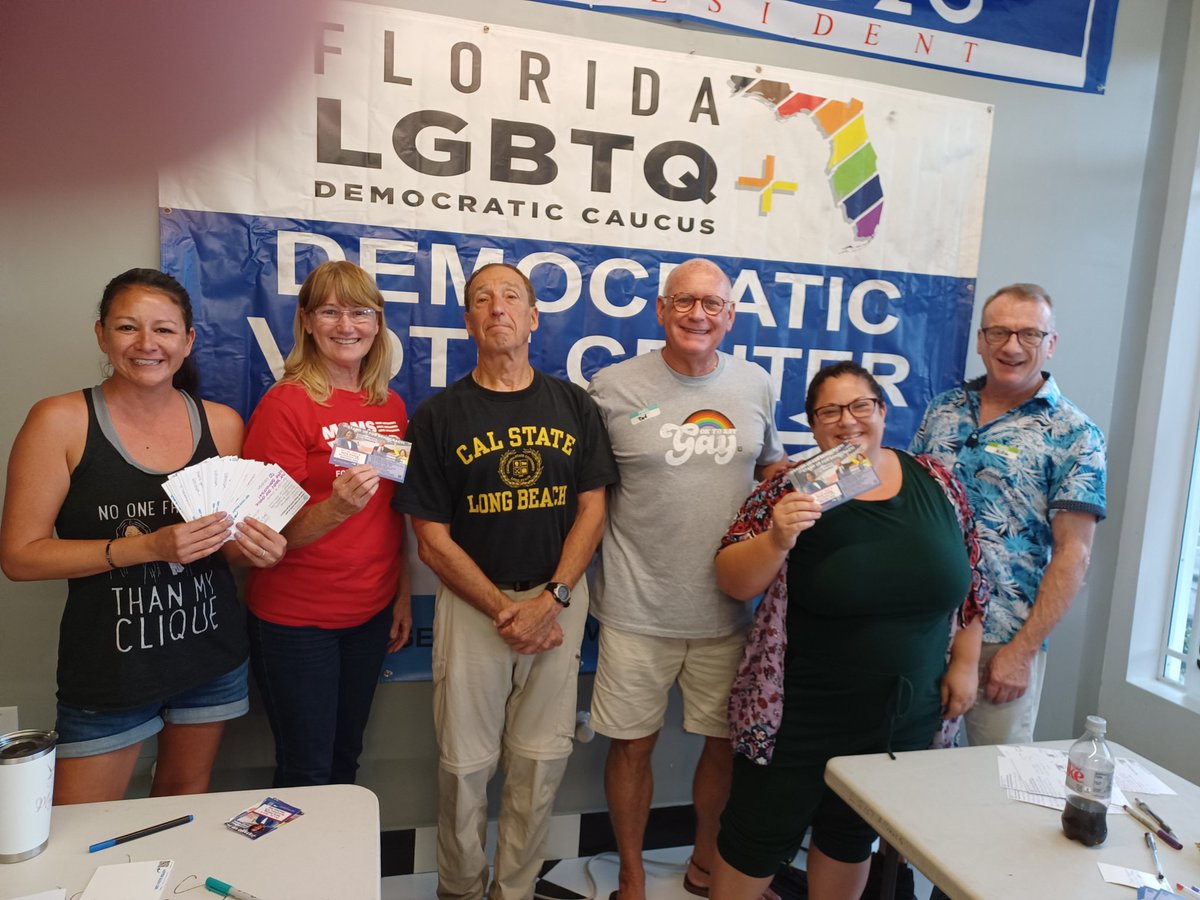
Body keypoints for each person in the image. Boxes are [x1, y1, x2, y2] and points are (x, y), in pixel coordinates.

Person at [0, 268, 286, 804]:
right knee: (82, 826)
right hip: (110, 666)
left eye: (164, 330)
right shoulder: (60, 421)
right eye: (128, 328)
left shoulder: (222, 424)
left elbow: (222, 545)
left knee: (183, 800)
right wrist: (148, 546)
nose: (147, 344)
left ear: (188, 341)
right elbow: (19, 556)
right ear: (102, 336)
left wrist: (256, 549)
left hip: (212, 655)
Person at [709, 361, 988, 900]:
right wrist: (776, 539)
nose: (848, 421)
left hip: (901, 716)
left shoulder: (937, 481)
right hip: (802, 714)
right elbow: (732, 580)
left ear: (883, 412)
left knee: (851, 837)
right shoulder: (792, 488)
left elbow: (974, 578)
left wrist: (966, 663)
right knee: (756, 838)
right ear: (814, 427)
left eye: (861, 406)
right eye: (830, 411)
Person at [394, 262, 617, 900]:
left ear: (533, 316)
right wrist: (503, 609)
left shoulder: (573, 404)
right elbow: (431, 540)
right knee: (465, 767)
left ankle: (514, 890)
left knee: (540, 762)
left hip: (559, 600)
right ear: (468, 321)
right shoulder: (438, 416)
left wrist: (551, 600)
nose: (497, 308)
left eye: (511, 297)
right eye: (482, 299)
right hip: (474, 607)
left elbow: (593, 509)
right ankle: (461, 889)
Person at [585, 258, 787, 900]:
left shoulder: (754, 384)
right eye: (684, 302)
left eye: (712, 304)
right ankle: (633, 874)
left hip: (728, 612)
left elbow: (773, 474)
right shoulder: (611, 385)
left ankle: (706, 860)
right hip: (635, 608)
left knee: (723, 747)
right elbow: (584, 495)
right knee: (631, 749)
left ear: (730, 315)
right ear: (661, 310)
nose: (698, 315)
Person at [910, 283, 1106, 746]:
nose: (1012, 346)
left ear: (1050, 344)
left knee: (990, 786)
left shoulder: (1075, 434)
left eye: (1029, 335)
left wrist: (1023, 651)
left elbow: (1074, 554)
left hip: (1003, 642)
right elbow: (912, 506)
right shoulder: (943, 409)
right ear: (980, 340)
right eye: (998, 332)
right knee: (909, 777)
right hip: (924, 630)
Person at [241, 260, 410, 787]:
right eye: (330, 311)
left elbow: (391, 513)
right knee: (306, 770)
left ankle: (336, 870)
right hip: (298, 623)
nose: (346, 325)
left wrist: (401, 594)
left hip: (370, 614)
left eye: (360, 312)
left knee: (345, 761)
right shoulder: (285, 405)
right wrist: (335, 508)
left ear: (377, 322)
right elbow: (266, 539)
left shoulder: (391, 405)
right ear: (307, 321)